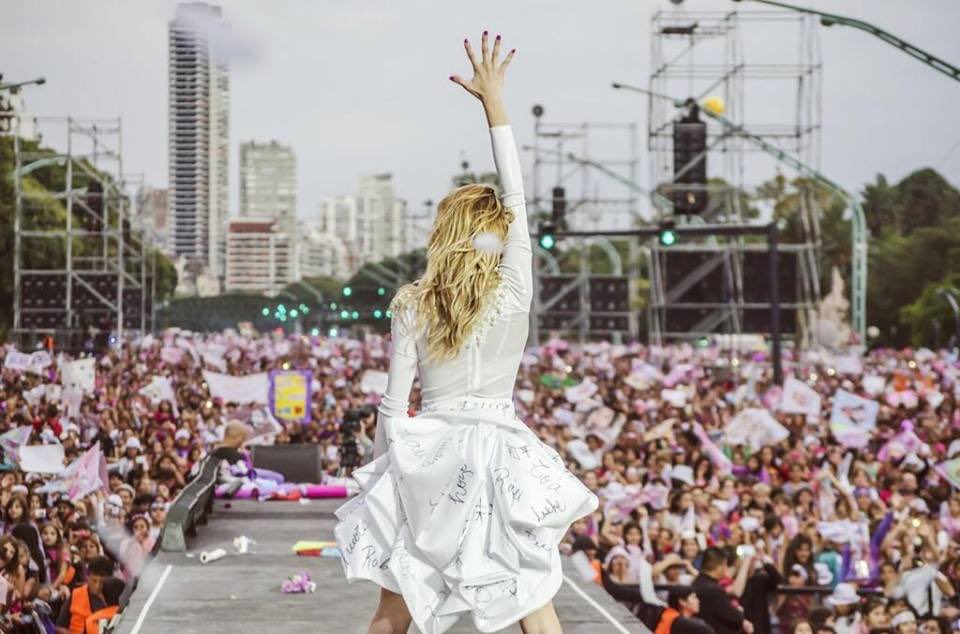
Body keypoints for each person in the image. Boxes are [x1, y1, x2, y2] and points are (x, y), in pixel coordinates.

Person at [333, 31, 598, 634]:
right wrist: (495, 104)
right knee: (533, 598)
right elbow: (519, 195)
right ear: (499, 234)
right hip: (501, 452)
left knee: (393, 608)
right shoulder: (515, 290)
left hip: (427, 454)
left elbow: (392, 405)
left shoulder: (413, 303)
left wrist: (387, 473)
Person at [693, 547, 752, 634]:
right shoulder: (713, 590)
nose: (725, 568)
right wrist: (739, 610)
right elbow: (735, 617)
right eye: (725, 565)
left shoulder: (696, 583)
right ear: (719, 566)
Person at [55, 556, 114, 634]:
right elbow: (59, 627)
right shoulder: (76, 594)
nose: (98, 586)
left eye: (102, 582)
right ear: (87, 577)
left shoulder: (115, 596)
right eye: (94, 581)